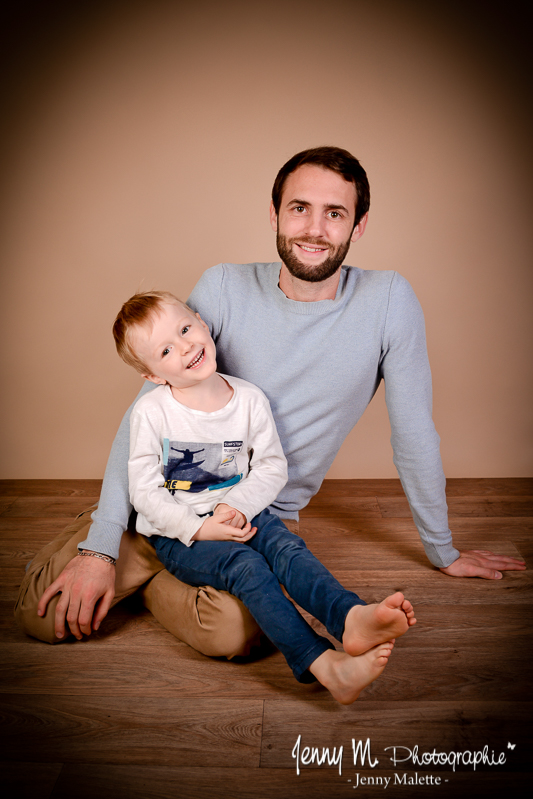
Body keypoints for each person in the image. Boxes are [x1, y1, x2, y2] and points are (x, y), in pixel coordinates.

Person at [15, 146, 525, 650]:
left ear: (359, 225)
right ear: (276, 213)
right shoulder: (224, 286)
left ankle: (159, 580)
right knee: (44, 618)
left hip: (250, 519)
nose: (314, 230)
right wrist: (101, 551)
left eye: (335, 213)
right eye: (300, 208)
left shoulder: (389, 302)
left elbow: (413, 433)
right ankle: (129, 546)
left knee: (238, 632)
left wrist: (442, 549)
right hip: (166, 501)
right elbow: (143, 417)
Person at [109, 289, 416, 703]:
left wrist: (237, 505)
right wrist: (199, 528)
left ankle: (350, 618)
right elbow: (143, 490)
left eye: (185, 329)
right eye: (165, 350)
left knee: (287, 549)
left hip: (243, 513)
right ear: (153, 376)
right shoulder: (153, 412)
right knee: (249, 568)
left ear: (202, 321)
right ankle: (323, 665)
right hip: (179, 534)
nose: (185, 346)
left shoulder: (249, 399)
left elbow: (271, 466)